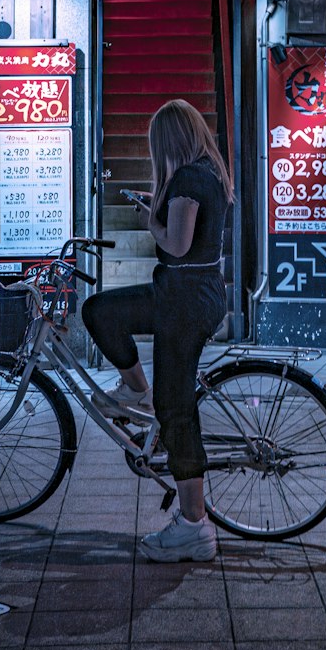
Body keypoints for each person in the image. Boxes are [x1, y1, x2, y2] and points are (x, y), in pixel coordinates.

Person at [82, 99, 232, 563]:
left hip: (183, 302)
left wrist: (151, 220)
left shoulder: (187, 179)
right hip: (190, 296)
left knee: (177, 411)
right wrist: (160, 207)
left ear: (168, 141)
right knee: (102, 312)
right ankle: (139, 393)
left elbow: (177, 244)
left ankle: (193, 527)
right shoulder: (209, 172)